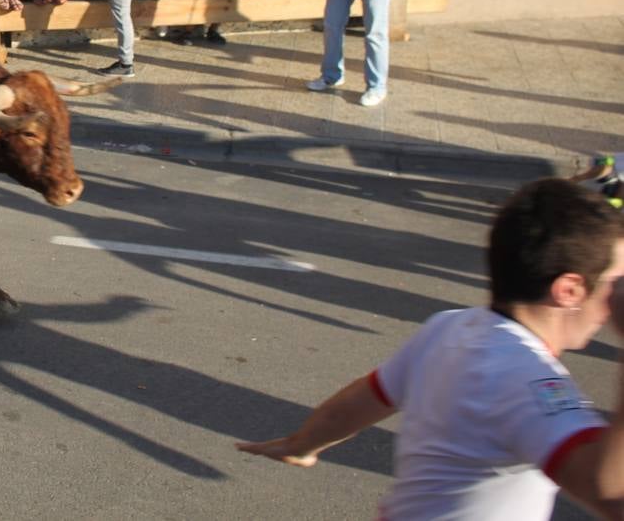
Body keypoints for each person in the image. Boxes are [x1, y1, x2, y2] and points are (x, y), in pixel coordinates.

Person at [237, 178, 624, 521]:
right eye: (615, 282)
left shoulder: (450, 326)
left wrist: (302, 444)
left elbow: (361, 401)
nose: (615, 301)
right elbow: (610, 496)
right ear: (569, 289)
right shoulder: (531, 382)